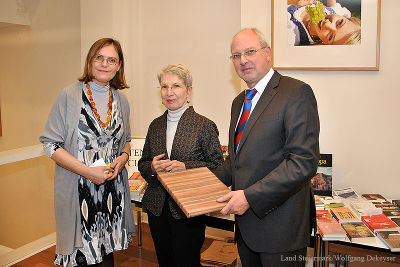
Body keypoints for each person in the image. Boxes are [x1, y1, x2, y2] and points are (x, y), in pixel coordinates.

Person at [214, 28, 320, 267]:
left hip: (282, 229)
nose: (243, 60)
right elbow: (236, 161)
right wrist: (200, 182)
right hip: (246, 229)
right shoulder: (238, 102)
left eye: (250, 51)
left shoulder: (296, 92)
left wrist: (250, 197)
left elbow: (302, 163)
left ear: (268, 53)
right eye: (236, 55)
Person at [40, 38, 135, 267]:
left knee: (106, 258)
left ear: (119, 65)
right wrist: (88, 172)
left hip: (112, 193)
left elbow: (127, 142)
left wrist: (122, 160)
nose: (105, 64)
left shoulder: (121, 100)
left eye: (111, 59)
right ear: (90, 61)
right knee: (82, 259)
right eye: (99, 58)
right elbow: (50, 145)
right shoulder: (69, 96)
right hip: (79, 193)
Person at [138, 64, 224, 267]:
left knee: (187, 262)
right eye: (164, 86)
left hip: (189, 210)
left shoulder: (204, 125)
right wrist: (152, 168)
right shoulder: (155, 125)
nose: (169, 92)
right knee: (165, 260)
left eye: (176, 86)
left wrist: (186, 167)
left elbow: (218, 167)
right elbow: (143, 163)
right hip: (157, 208)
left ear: (189, 90)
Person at [287, 0, 361, 45]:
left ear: (323, 44)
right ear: (344, 17)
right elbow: (333, 5)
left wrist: (289, 1)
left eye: (330, 37)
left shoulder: (292, 34)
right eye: (340, 23)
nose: (327, 24)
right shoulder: (339, 12)